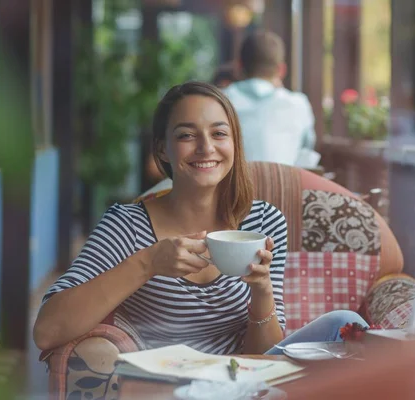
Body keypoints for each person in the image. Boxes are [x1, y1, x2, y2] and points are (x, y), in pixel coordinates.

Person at [33, 81, 365, 355]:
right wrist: (148, 262)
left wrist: (262, 290)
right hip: (165, 386)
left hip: (244, 382)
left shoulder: (263, 221)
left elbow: (264, 357)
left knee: (346, 324)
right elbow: (47, 330)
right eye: (187, 135)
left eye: (219, 134)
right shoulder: (129, 225)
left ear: (234, 143)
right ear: (163, 149)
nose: (206, 148)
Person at [223, 30, 317, 167]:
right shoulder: (298, 104)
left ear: (238, 66)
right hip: (284, 186)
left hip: (233, 187)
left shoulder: (220, 101)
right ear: (281, 70)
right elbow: (306, 154)